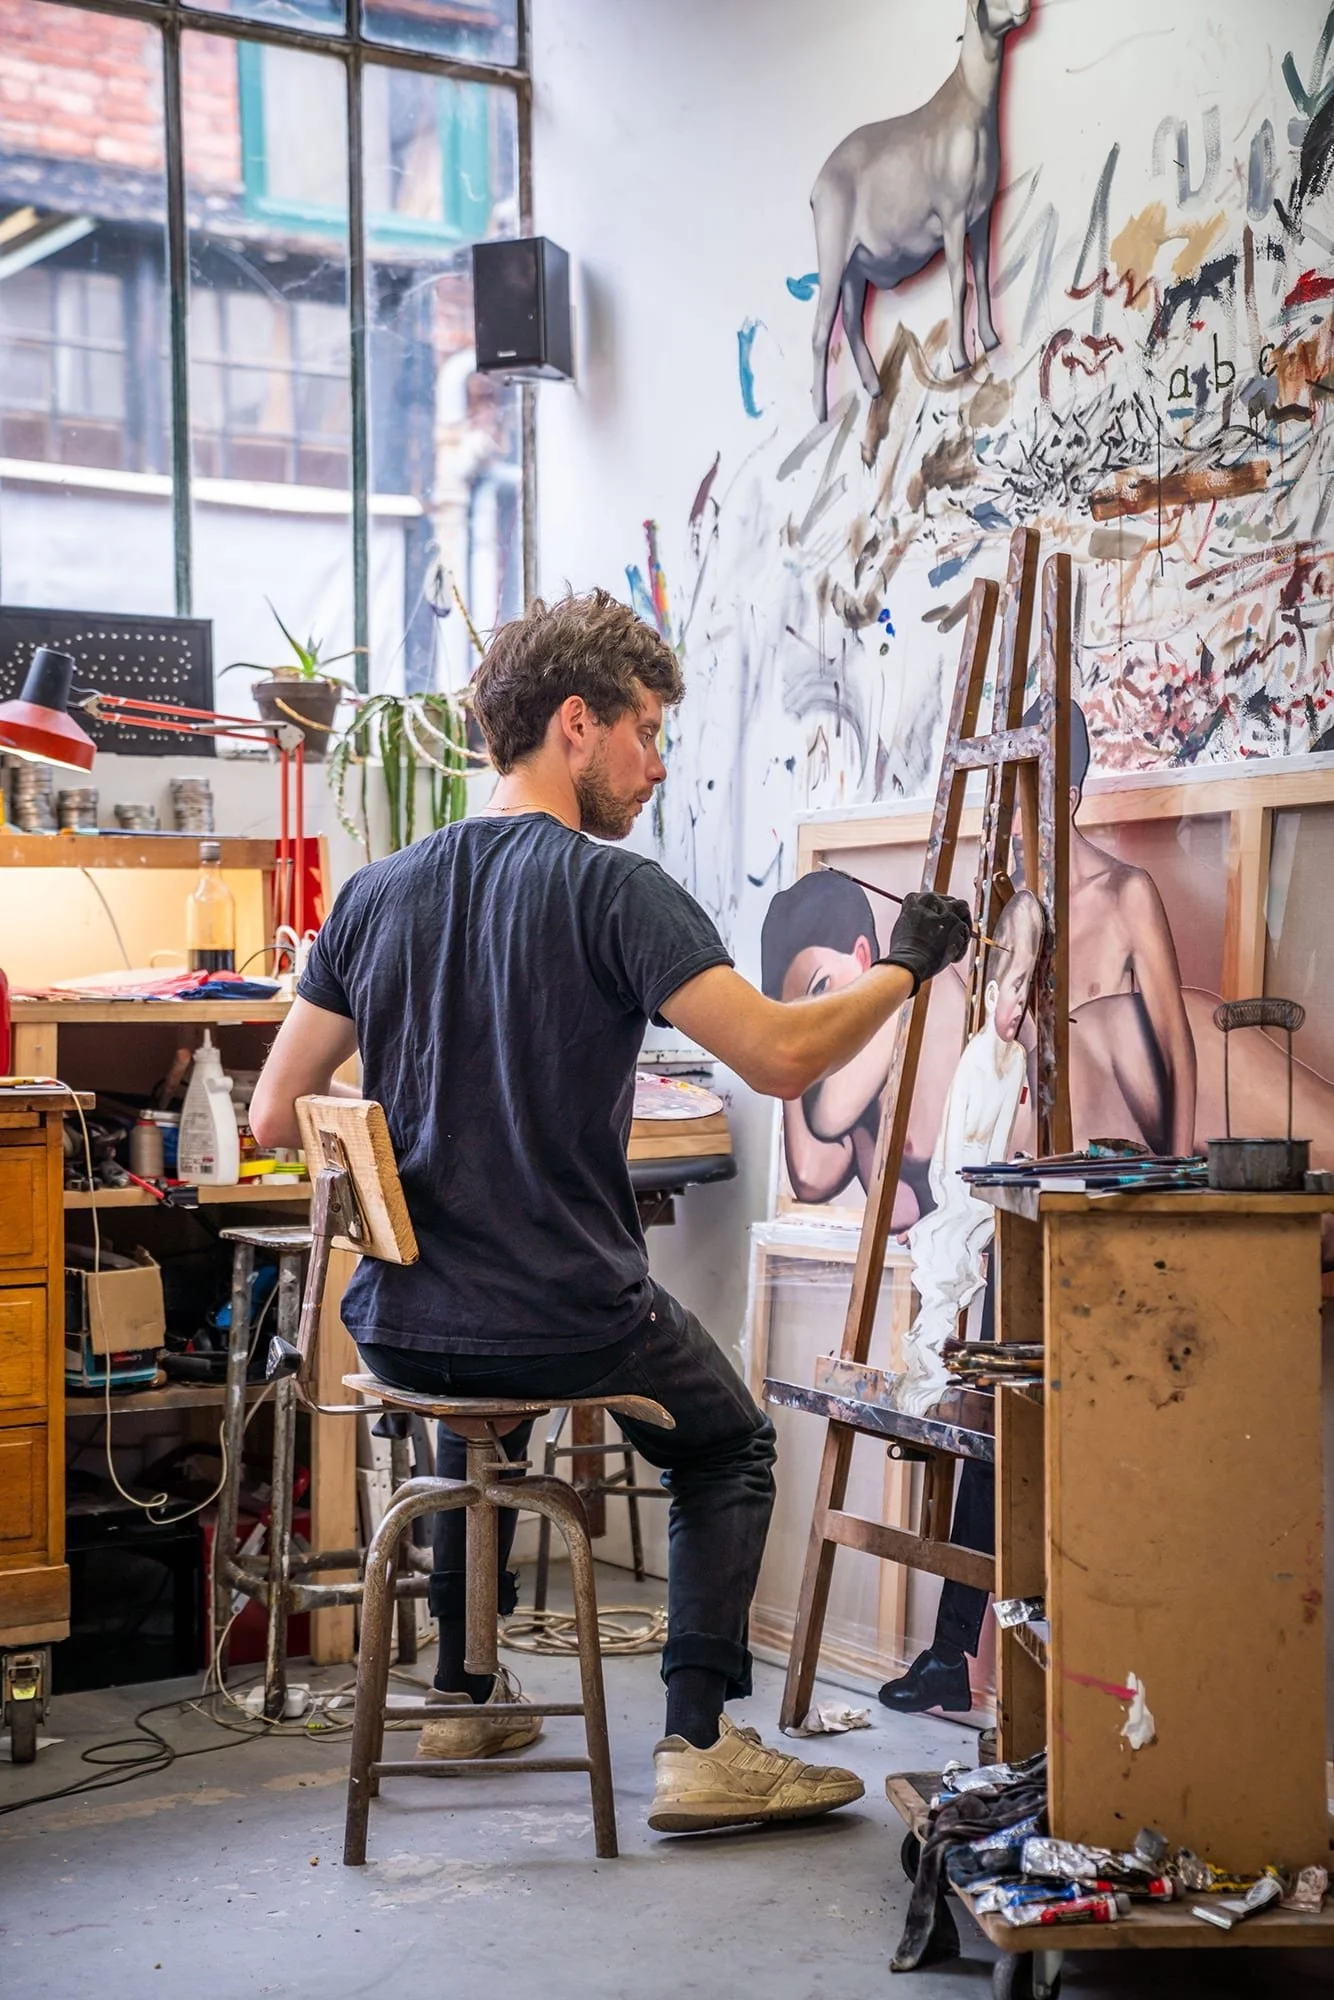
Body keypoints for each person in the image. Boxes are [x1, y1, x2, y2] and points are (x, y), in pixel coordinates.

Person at [249, 588, 972, 1834]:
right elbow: (784, 1060)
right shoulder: (613, 889)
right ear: (573, 724)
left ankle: (468, 1685)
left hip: (406, 1324)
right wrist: (906, 964)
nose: (656, 764)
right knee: (728, 1440)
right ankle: (697, 1742)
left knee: (470, 1387)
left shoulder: (371, 896)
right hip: (569, 1307)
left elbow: (273, 1114)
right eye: (645, 731)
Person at [896, 892, 1044, 1417]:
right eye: (1015, 988)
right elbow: (954, 1154)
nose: (1022, 1003)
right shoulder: (979, 1059)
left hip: (994, 1192)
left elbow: (1012, 1137)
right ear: (990, 994)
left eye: (1030, 987)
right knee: (944, 1280)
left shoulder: (1018, 1057)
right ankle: (926, 1385)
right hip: (965, 1193)